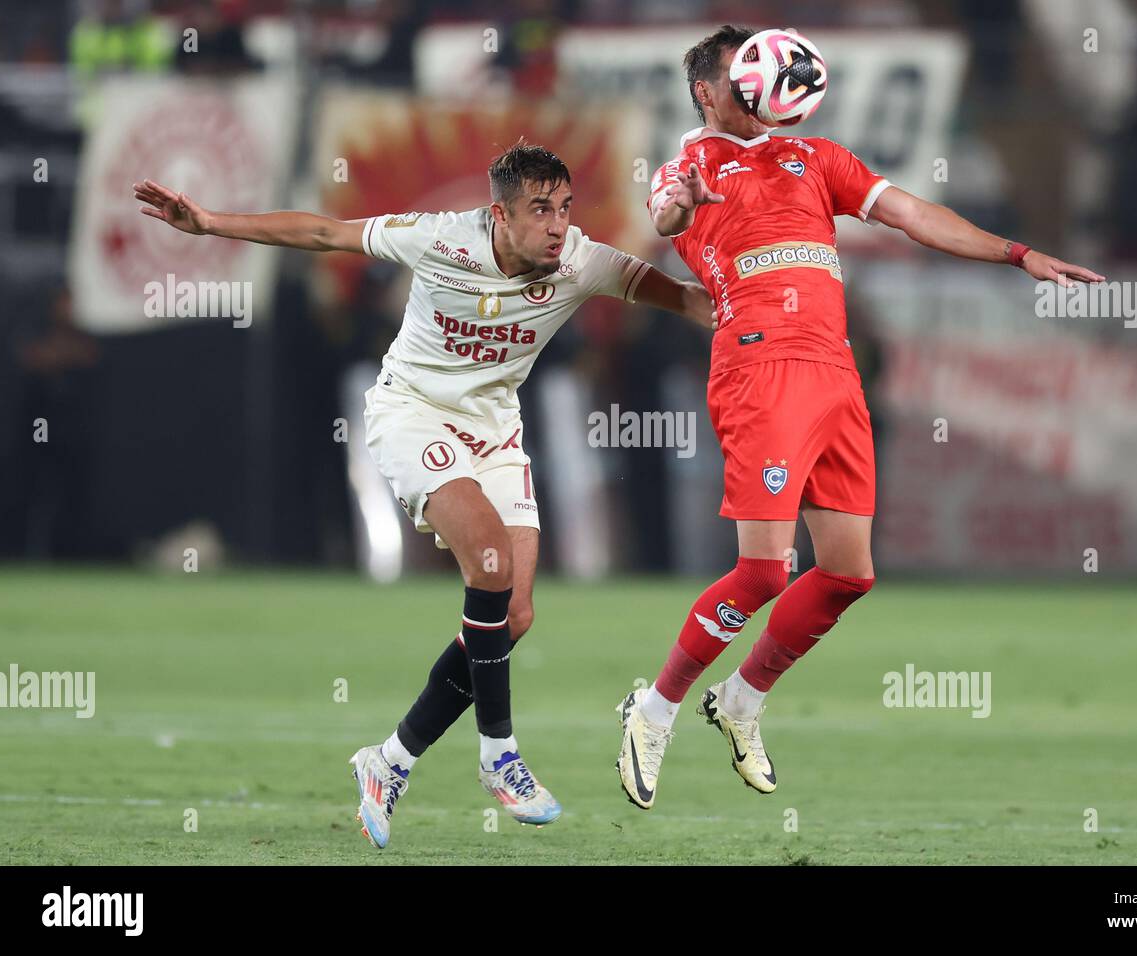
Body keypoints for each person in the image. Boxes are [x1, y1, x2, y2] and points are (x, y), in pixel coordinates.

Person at [134, 141, 715, 845]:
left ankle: (389, 760)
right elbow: (324, 233)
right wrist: (210, 223)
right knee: (491, 566)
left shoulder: (581, 261)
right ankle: (499, 753)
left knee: (514, 617)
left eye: (564, 208)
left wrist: (759, 302)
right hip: (412, 414)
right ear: (498, 214)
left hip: (494, 430)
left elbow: (683, 298)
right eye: (540, 210)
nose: (558, 225)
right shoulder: (441, 237)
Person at [616, 25, 1103, 810]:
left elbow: (913, 214)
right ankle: (655, 708)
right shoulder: (690, 166)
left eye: (757, 78)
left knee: (847, 573)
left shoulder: (814, 158)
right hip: (760, 366)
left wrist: (1017, 255)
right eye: (736, 81)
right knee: (765, 570)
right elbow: (669, 216)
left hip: (835, 372)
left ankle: (741, 700)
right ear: (709, 91)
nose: (750, 92)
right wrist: (680, 207)